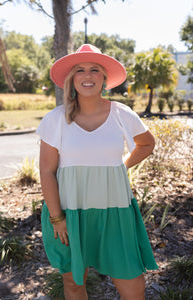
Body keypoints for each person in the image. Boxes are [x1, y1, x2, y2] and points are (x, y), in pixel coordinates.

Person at [36, 44, 158, 300]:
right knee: (73, 284)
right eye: (80, 70)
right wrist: (57, 219)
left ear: (104, 78)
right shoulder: (55, 119)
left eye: (94, 70)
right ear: (72, 79)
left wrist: (120, 166)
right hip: (70, 214)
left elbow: (147, 143)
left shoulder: (122, 114)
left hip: (116, 213)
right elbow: (47, 172)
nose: (87, 76)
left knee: (134, 288)